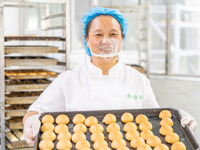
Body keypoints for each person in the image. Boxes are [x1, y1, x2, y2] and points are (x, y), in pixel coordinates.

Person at [23, 7, 198, 145]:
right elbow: (33, 112)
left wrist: (177, 118)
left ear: (122, 38)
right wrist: (30, 123)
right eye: (98, 34)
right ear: (87, 39)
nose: (106, 41)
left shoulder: (138, 80)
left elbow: (156, 119)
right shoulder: (68, 80)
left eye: (113, 34)